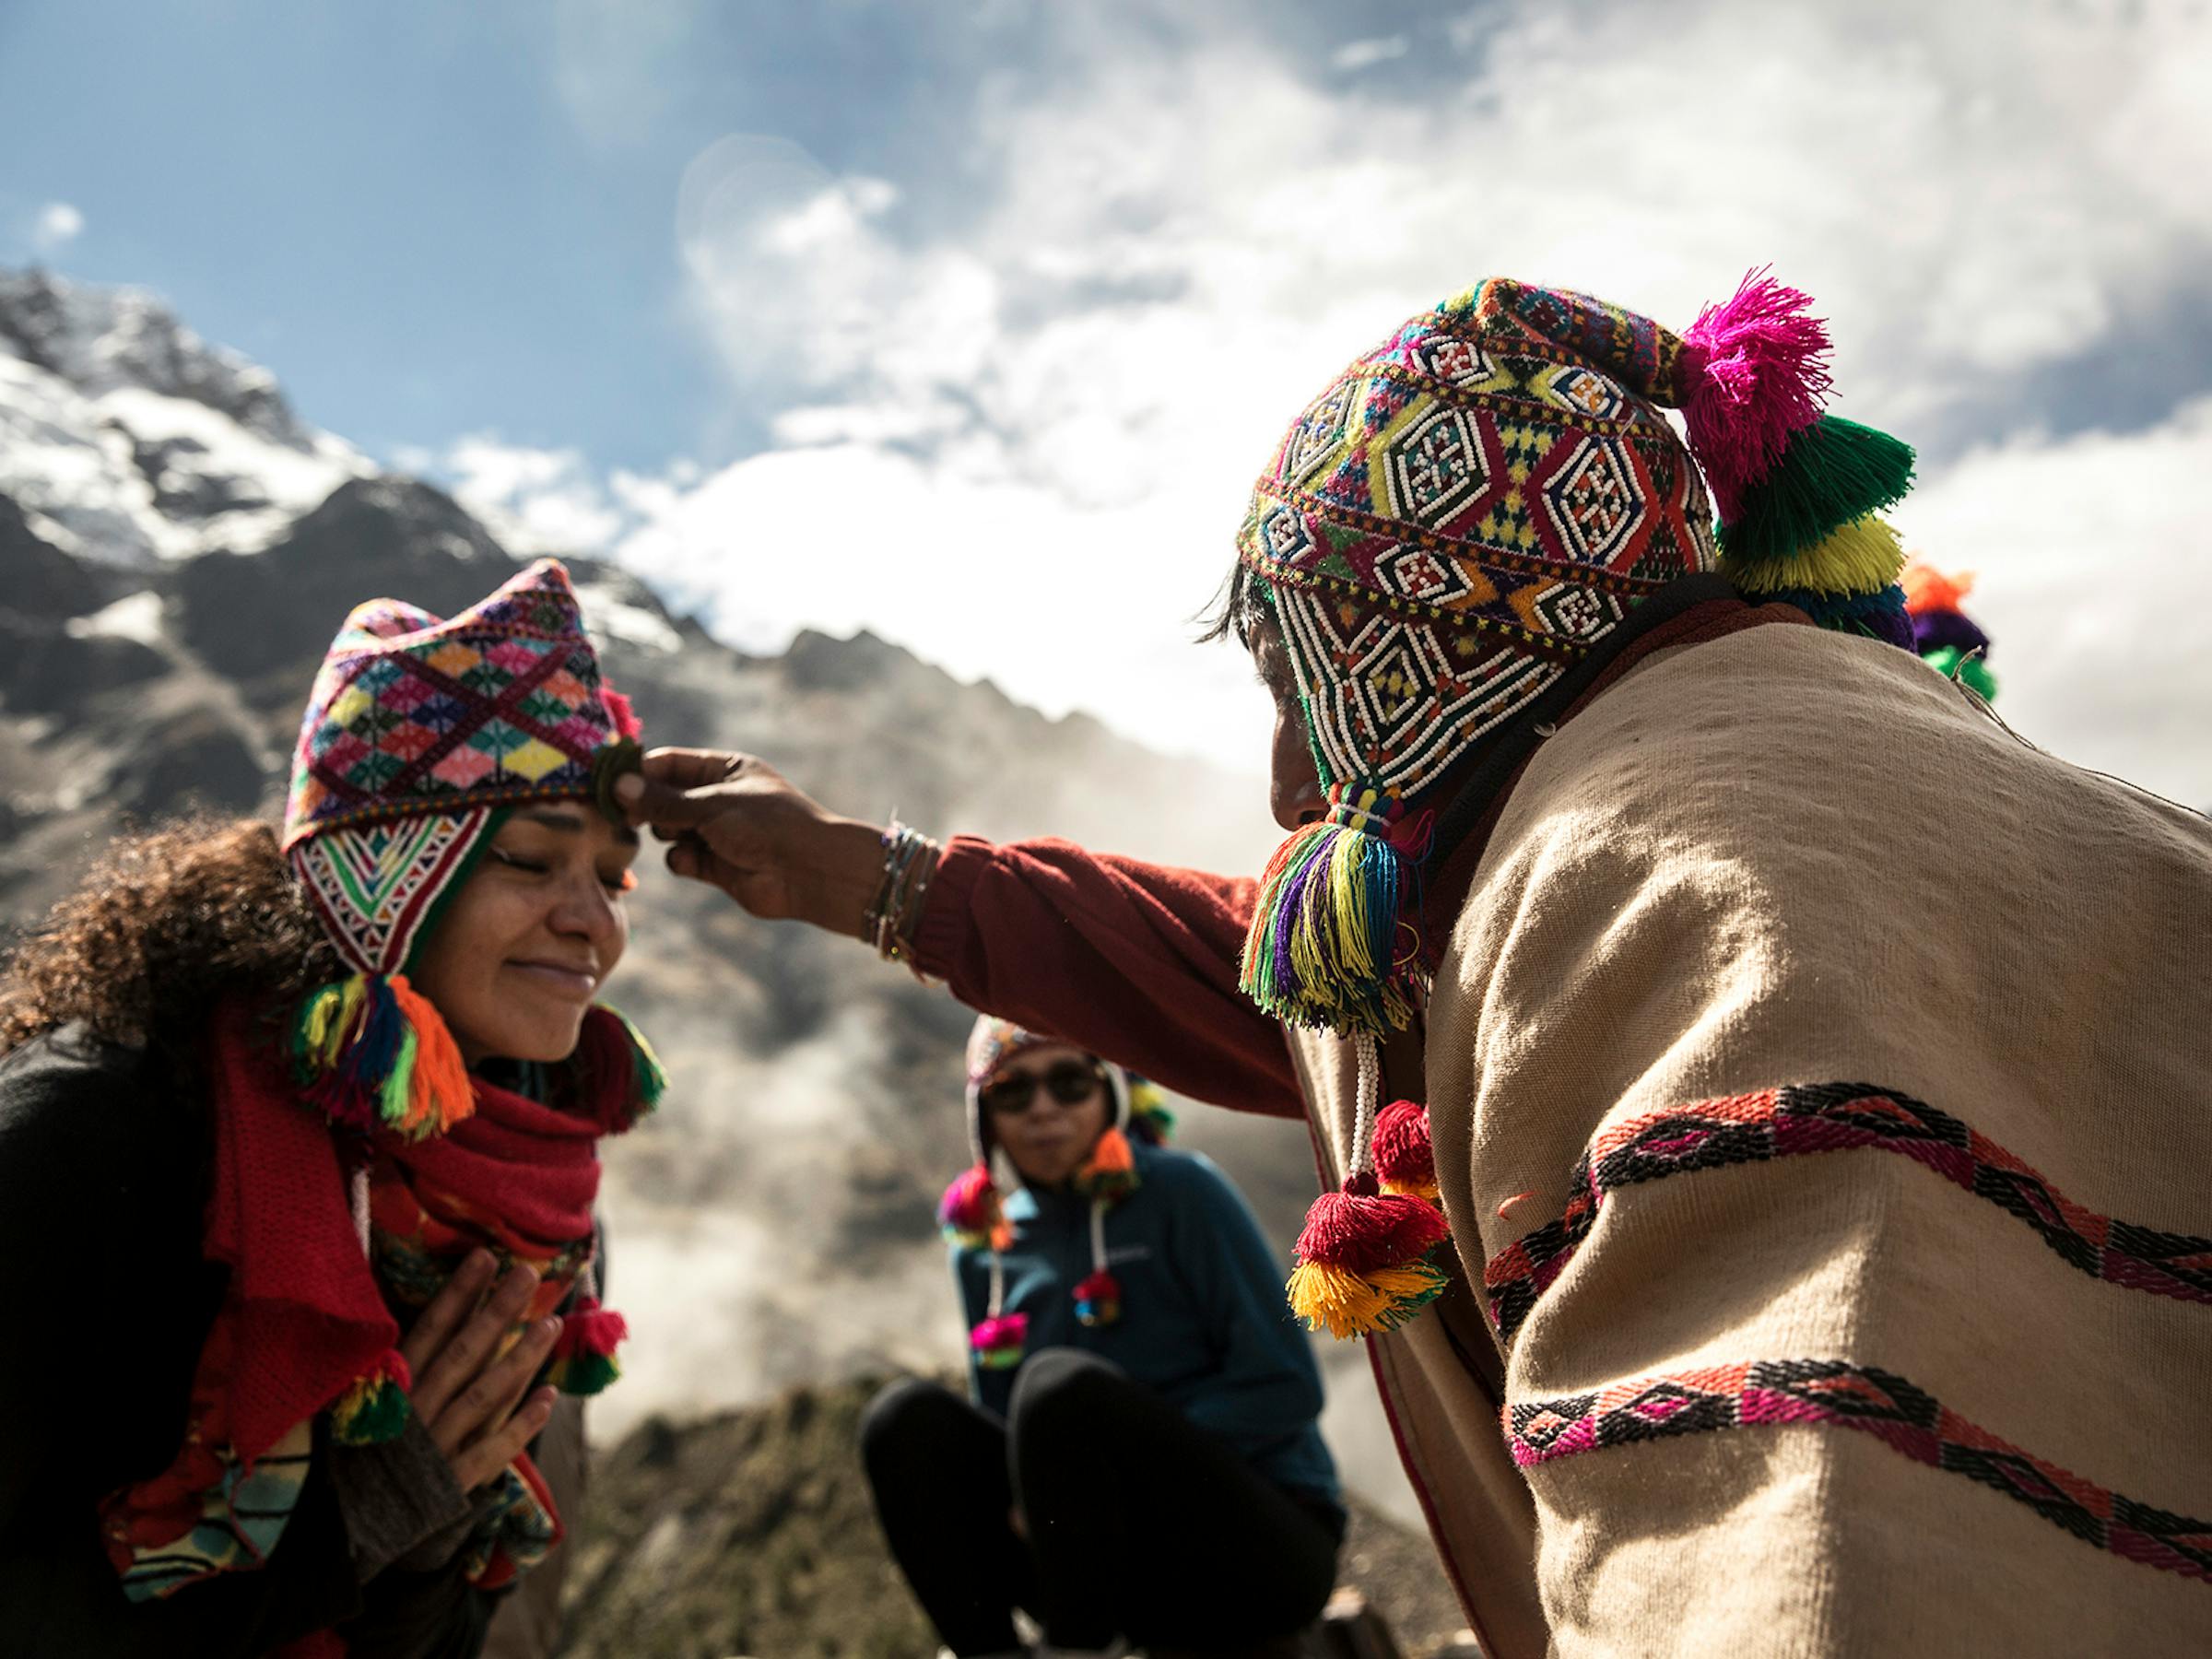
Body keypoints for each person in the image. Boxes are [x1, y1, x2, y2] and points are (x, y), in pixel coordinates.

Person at [620, 272, 2211, 1655]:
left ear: (1420, 644)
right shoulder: (1718, 781)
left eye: (1294, 681)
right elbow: (1260, 964)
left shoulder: (1649, 884)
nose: (1284, 785)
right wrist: (863, 874)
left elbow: (1799, 1531)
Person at [0, 559, 664, 1657]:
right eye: (534, 859)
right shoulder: (99, 1133)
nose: (594, 921)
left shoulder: (518, 1218)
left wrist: (410, 1538)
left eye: (614, 874)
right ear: (391, 874)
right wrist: (350, 1525)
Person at [861, 1016, 1342, 1658]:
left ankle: (1077, 1651)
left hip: (1252, 1544)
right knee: (903, 1421)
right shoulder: (986, 1250)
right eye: (1013, 1092)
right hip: (1092, 1562)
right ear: (986, 1119)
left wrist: (1117, 1468)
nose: (1042, 1110)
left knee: (1061, 1390)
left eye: (1068, 1082)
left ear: (1109, 1091)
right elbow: (1006, 1425)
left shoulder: (1182, 1192)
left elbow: (1286, 1386)